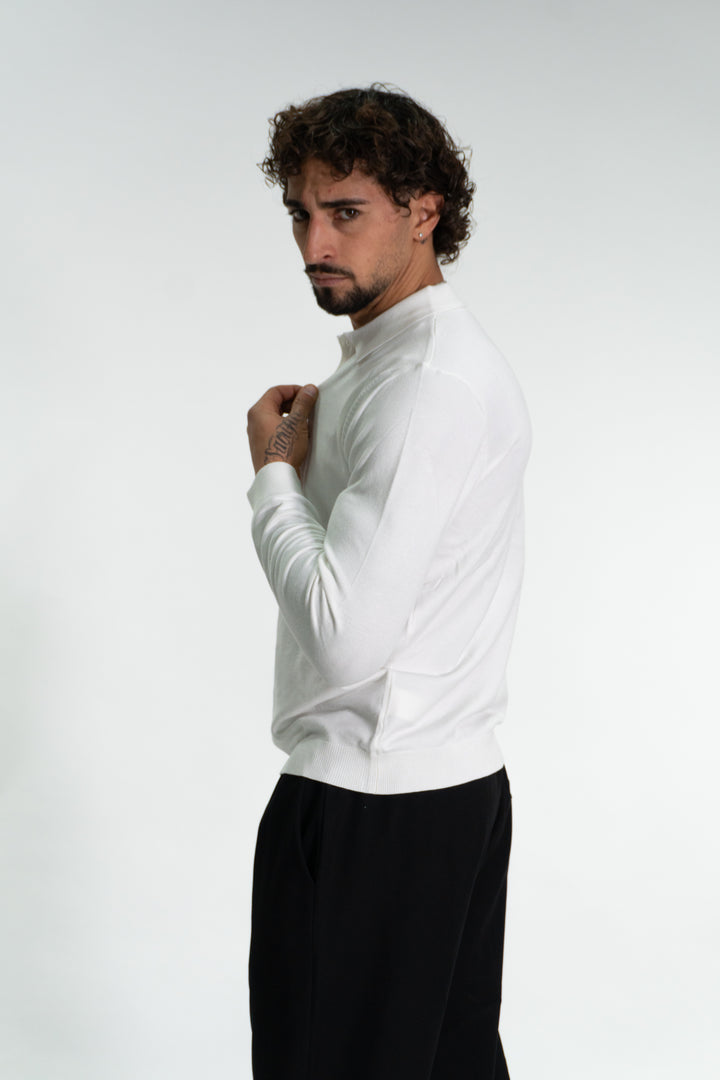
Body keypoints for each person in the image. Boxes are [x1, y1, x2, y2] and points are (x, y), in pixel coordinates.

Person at [245, 84, 531, 1080]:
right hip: (432, 795)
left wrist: (273, 477)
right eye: (301, 213)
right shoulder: (395, 361)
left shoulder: (423, 380)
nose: (315, 241)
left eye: (346, 211)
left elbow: (343, 639)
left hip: (376, 805)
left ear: (424, 212)